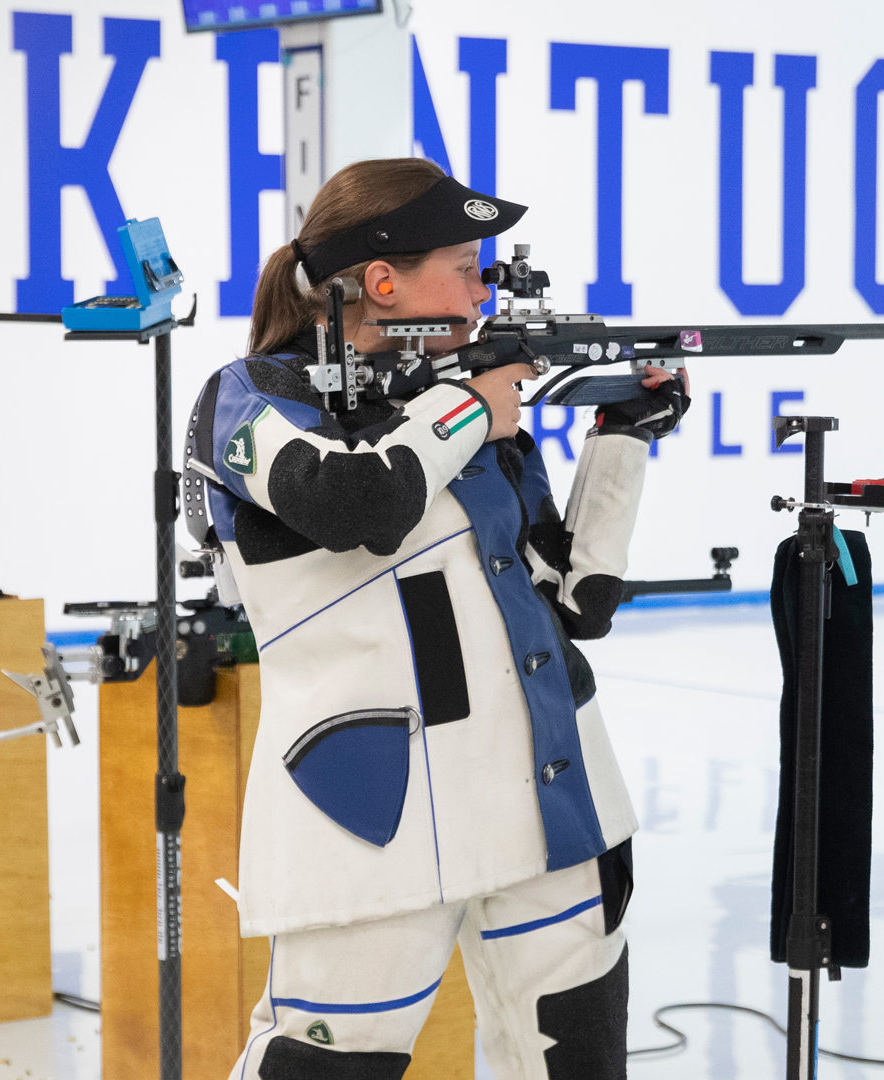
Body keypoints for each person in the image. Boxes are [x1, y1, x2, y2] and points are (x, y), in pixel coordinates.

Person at [187, 158, 688, 1080]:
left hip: (549, 801)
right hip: (375, 814)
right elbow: (353, 503)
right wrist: (467, 407)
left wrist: (623, 439)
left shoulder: (458, 407)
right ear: (383, 281)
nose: (484, 286)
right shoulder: (252, 395)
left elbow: (580, 601)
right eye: (465, 263)